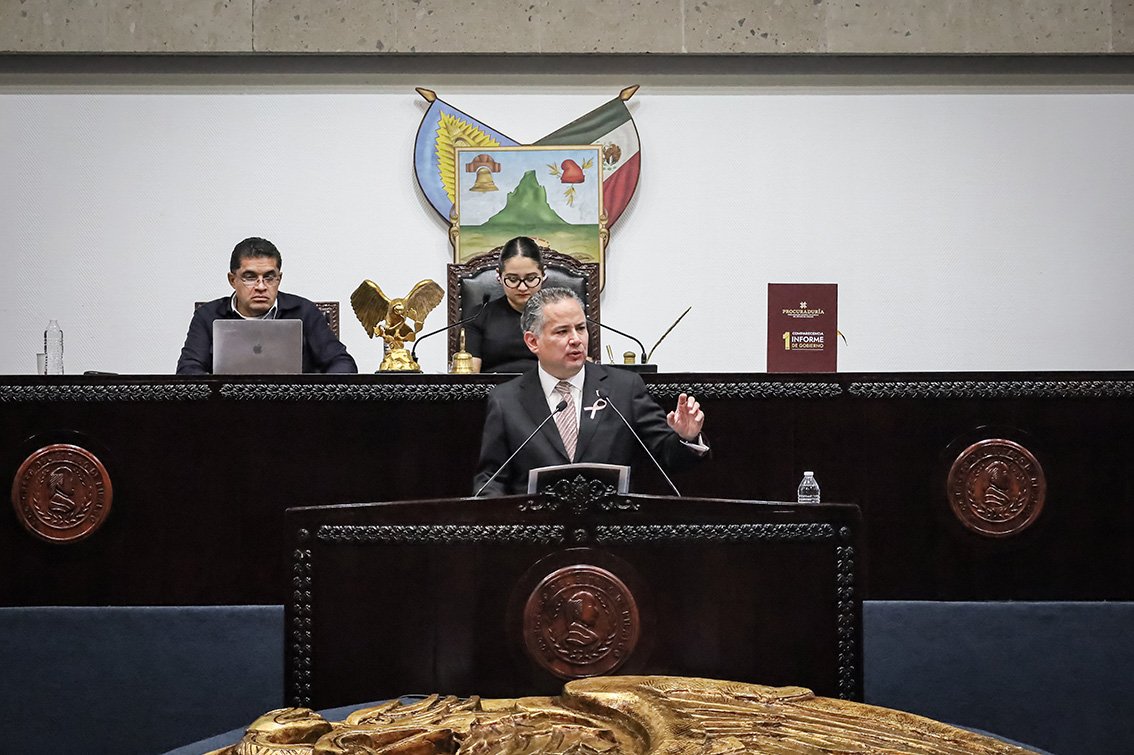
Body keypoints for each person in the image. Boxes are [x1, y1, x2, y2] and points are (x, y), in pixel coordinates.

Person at [473, 287, 707, 496]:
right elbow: (491, 479)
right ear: (533, 341)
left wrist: (686, 438)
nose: (576, 340)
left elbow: (669, 457)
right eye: (562, 332)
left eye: (581, 328)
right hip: (536, 527)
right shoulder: (506, 400)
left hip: (611, 526)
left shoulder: (624, 388)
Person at [176, 237, 357, 375]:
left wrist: (314, 394)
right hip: (229, 409)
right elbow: (188, 370)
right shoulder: (208, 316)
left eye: (269, 277)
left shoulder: (304, 312)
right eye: (250, 277)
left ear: (279, 279)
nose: (261, 286)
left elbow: (343, 363)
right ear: (232, 280)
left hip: (295, 408)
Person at [464, 236, 545, 373]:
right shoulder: (478, 316)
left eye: (531, 278)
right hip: (494, 386)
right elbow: (471, 377)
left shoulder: (562, 316)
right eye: (512, 279)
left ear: (543, 274)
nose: (522, 287)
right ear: (499, 276)